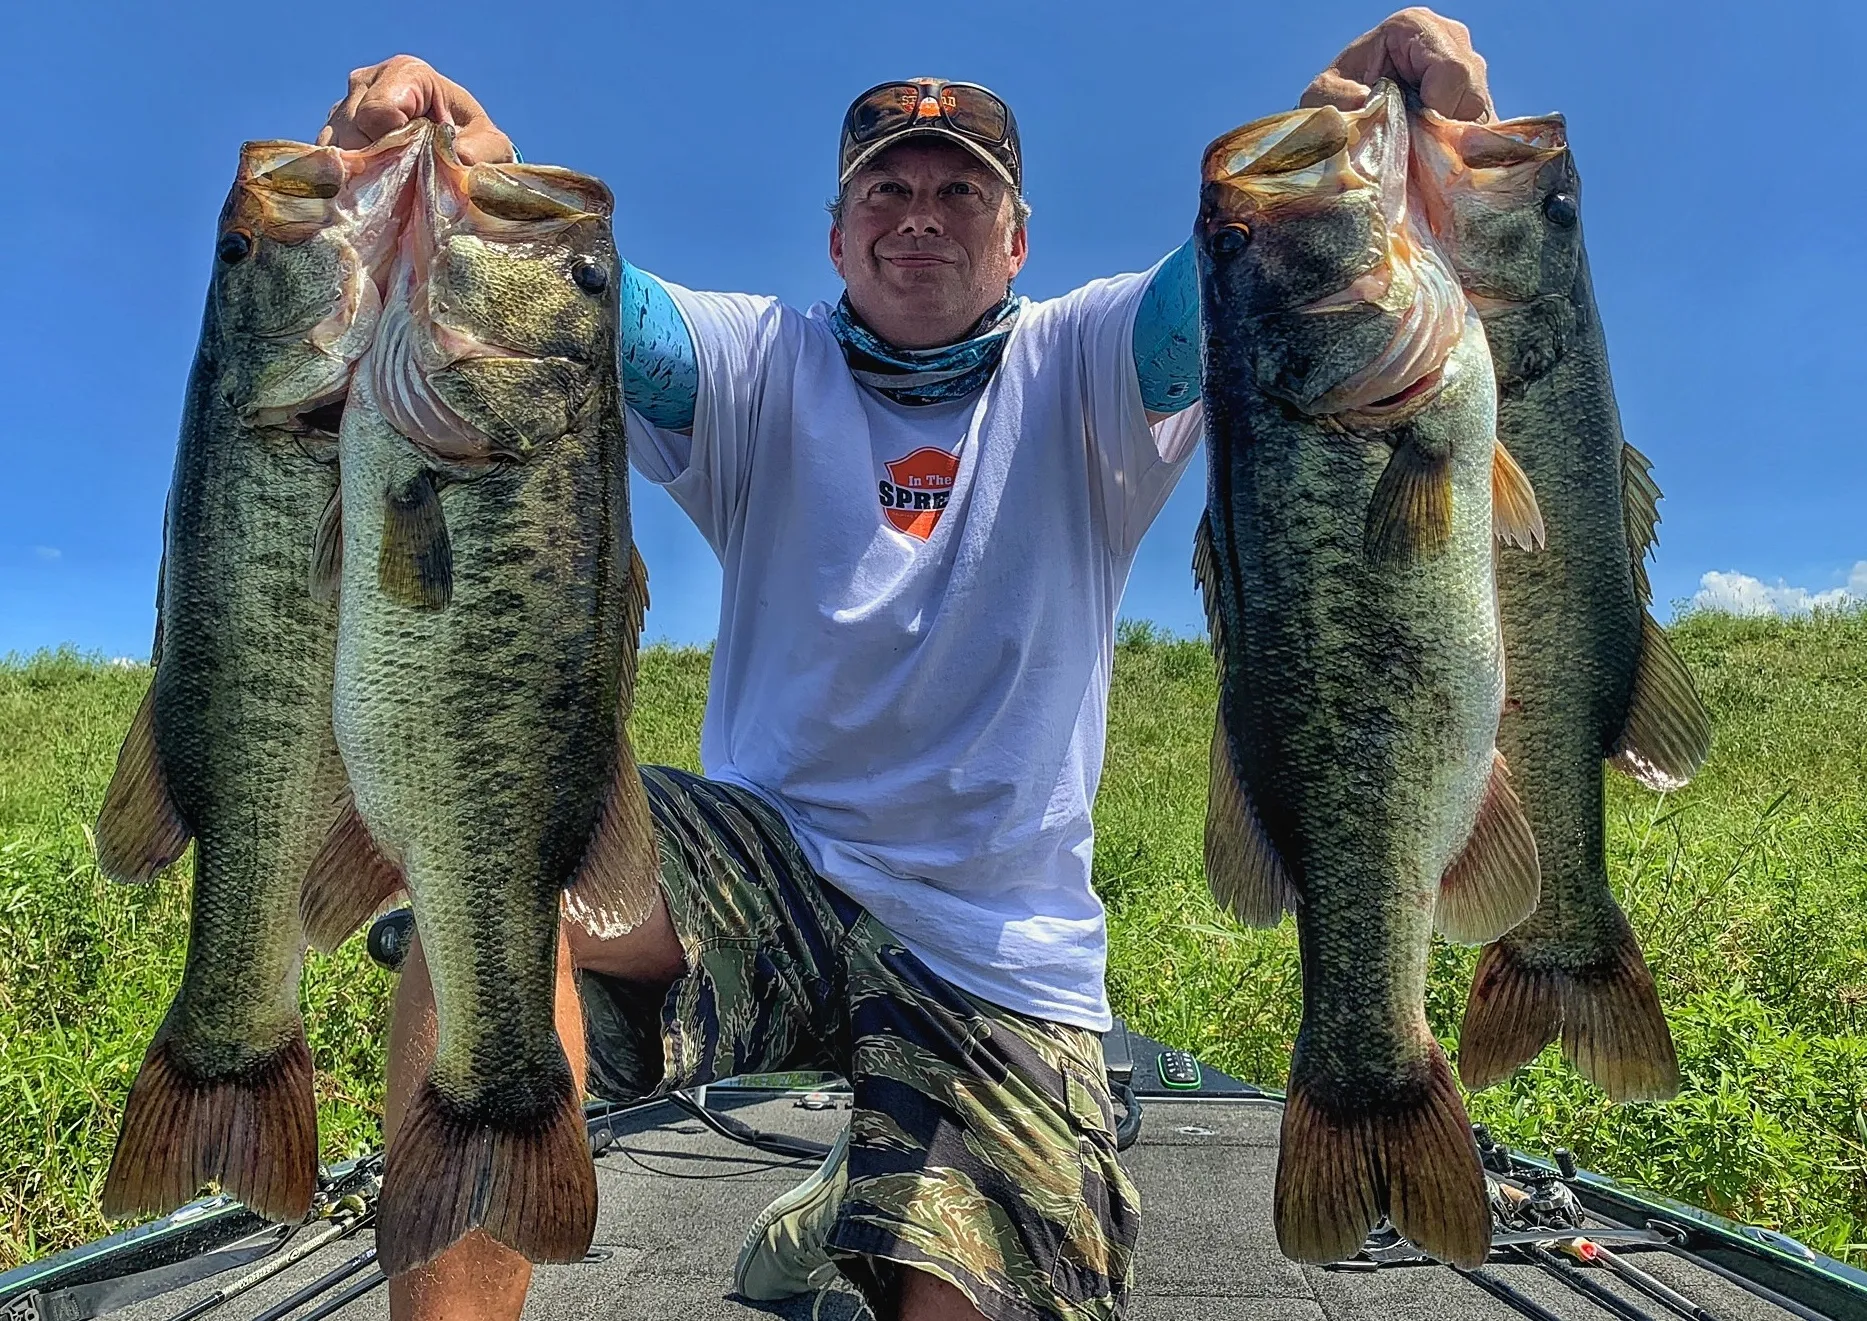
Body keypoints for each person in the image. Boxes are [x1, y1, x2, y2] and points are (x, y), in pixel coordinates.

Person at [320, 11, 1498, 1320]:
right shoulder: (757, 363)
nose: (921, 216)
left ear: (1018, 241)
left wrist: (1339, 146)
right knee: (494, 884)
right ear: (837, 236)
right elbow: (575, 310)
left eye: (961, 192)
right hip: (764, 877)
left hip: (997, 945)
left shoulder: (1092, 362)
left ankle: (864, 1207)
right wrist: (477, 190)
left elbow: (1259, 275)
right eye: (886, 190)